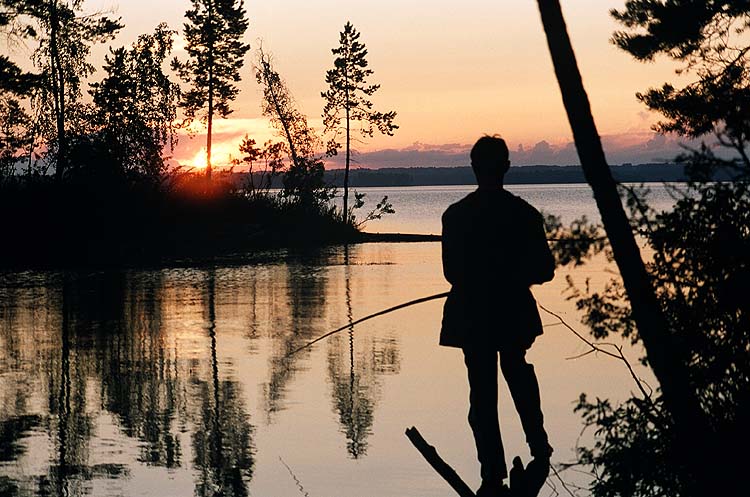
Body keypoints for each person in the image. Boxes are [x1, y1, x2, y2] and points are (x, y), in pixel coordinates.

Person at [441, 135, 556, 497]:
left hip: (473, 315)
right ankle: (538, 447)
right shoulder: (524, 214)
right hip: (512, 313)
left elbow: (452, 274)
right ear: (506, 167)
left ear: (474, 168)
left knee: (482, 391)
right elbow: (545, 270)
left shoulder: (456, 216)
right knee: (515, 369)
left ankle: (492, 472)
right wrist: (512, 276)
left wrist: (483, 279)